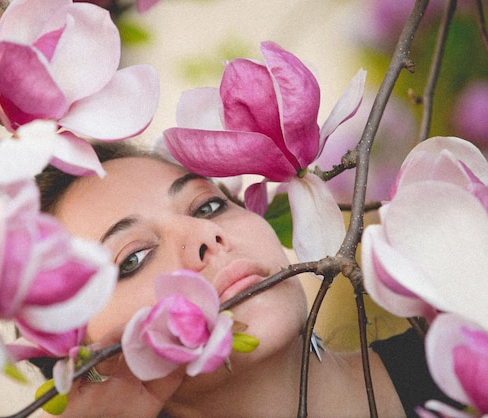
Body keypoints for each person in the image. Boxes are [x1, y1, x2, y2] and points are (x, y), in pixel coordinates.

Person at [35, 141, 460, 418]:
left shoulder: (469, 349)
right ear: (83, 363)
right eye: (134, 259)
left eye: (207, 207)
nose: (206, 236)